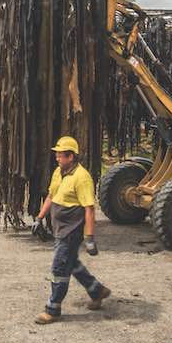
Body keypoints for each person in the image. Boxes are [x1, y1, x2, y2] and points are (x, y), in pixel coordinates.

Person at [32, 136, 110, 324]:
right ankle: (96, 290)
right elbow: (51, 195)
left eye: (60, 155)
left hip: (71, 232)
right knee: (71, 263)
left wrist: (89, 238)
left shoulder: (82, 178)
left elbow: (89, 209)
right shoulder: (59, 172)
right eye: (57, 155)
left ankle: (53, 308)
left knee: (59, 268)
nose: (57, 158)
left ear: (71, 156)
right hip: (60, 229)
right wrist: (39, 217)